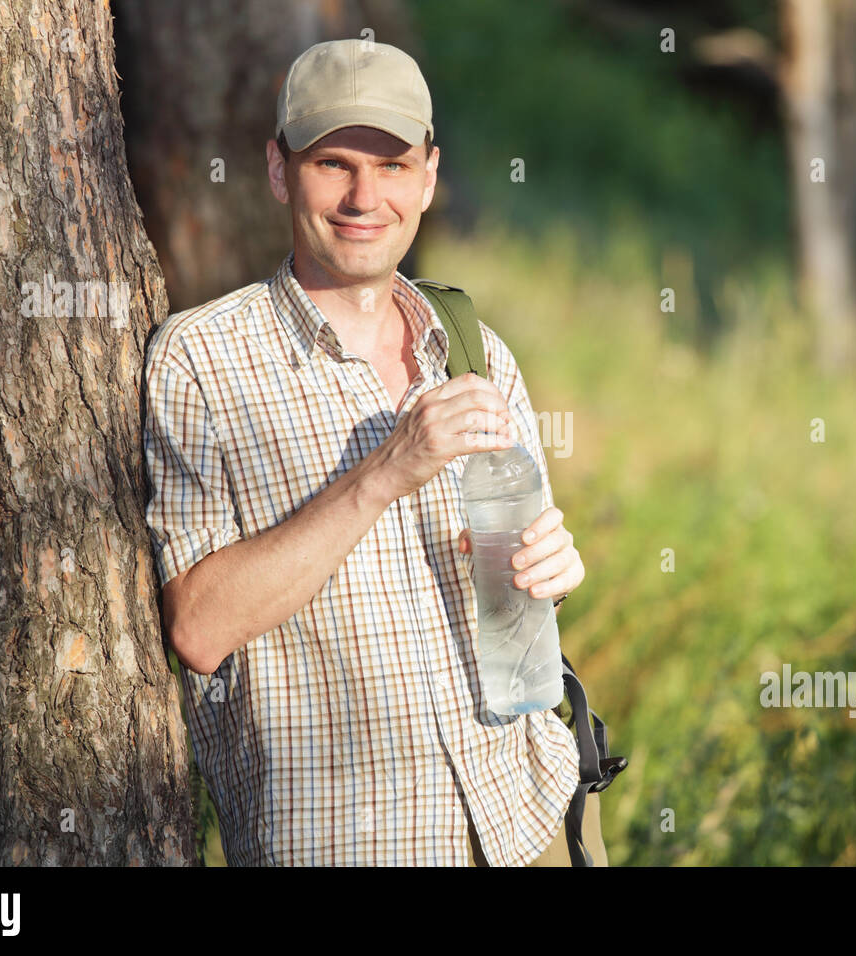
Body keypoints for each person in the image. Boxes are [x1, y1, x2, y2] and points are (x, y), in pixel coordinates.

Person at [142, 38, 608, 866]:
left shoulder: (474, 347)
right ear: (281, 171)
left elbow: (518, 599)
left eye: (392, 167)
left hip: (527, 822)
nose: (365, 196)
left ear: (429, 176)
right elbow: (200, 628)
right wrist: (384, 474)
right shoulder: (200, 359)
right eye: (334, 164)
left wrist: (553, 575)